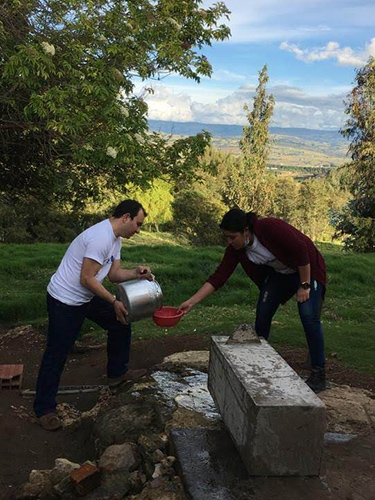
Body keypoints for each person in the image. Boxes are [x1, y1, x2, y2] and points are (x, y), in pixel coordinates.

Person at [34, 199, 153, 431]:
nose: (138, 230)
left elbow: (114, 274)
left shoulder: (115, 239)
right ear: (126, 217)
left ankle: (117, 373)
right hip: (65, 299)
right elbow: (86, 278)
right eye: (138, 224)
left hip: (87, 296)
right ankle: (44, 408)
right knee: (57, 351)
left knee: (121, 320)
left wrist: (136, 273)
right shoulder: (100, 237)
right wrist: (113, 300)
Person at [179, 208, 327, 393]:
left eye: (232, 237)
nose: (229, 242)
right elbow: (219, 277)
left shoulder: (270, 227)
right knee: (263, 314)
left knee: (308, 314)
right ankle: (259, 362)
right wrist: (191, 302)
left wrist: (304, 285)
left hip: (308, 269)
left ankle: (318, 373)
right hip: (280, 275)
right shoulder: (236, 250)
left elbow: (302, 250)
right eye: (226, 237)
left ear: (246, 231)